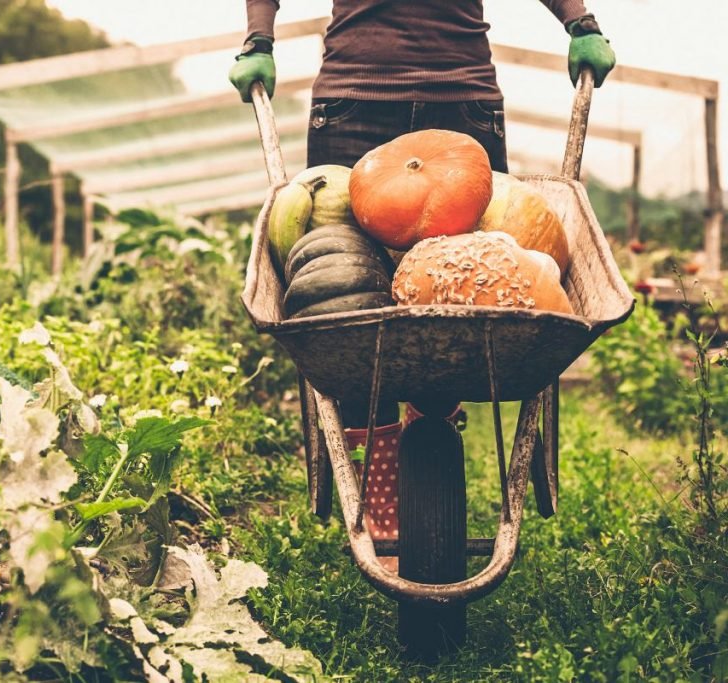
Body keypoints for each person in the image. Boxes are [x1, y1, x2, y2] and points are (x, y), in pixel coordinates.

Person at [229, 1, 615, 560]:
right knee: (348, 296)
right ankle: (383, 487)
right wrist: (257, 40)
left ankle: (429, 425)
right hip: (355, 96)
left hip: (461, 96)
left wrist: (580, 23)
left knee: (465, 279)